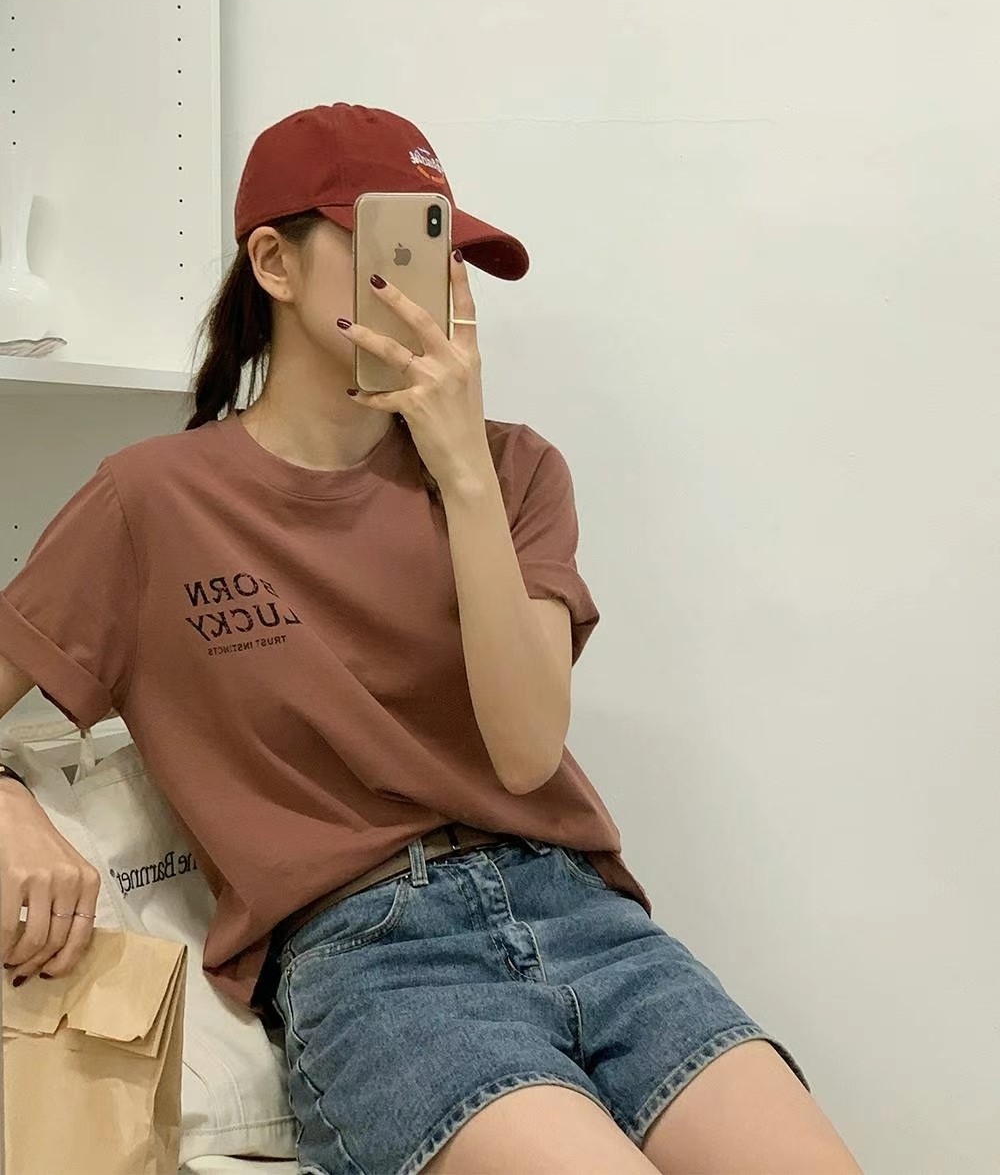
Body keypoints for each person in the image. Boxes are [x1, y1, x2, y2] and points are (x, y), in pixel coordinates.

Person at [0, 103, 862, 1174]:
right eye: (397, 242)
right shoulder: (152, 501)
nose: (435, 280)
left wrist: (460, 471)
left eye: (447, 248)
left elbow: (525, 751)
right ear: (273, 261)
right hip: (370, 956)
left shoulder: (516, 469)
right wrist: (10, 804)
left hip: (581, 914)